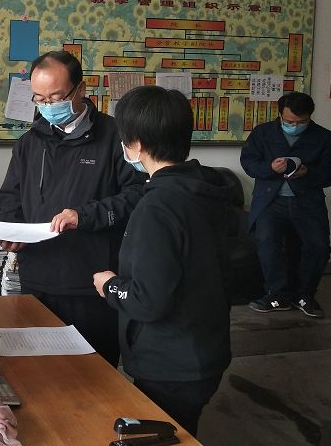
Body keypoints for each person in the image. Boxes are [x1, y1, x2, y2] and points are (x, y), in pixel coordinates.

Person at [92, 85, 233, 437]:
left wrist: (110, 285)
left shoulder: (157, 207)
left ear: (137, 144)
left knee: (166, 434)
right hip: (207, 347)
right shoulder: (206, 190)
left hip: (171, 362)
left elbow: (147, 300)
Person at [0, 50, 144, 366]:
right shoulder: (29, 142)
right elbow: (11, 195)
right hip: (37, 279)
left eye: (56, 97)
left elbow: (136, 196)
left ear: (81, 89)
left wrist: (85, 216)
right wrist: (12, 228)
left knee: (94, 374)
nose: (48, 106)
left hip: (91, 284)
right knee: (39, 372)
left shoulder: (115, 137)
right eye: (40, 99)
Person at [240, 91, 331, 318]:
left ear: (310, 116)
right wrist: (269, 168)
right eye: (289, 122)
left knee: (318, 246)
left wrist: (308, 173)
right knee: (267, 242)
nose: (294, 126)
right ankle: (278, 294)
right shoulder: (263, 133)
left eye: (301, 122)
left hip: (307, 201)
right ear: (280, 115)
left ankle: (305, 295)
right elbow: (248, 162)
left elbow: (330, 173)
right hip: (270, 200)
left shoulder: (324, 138)